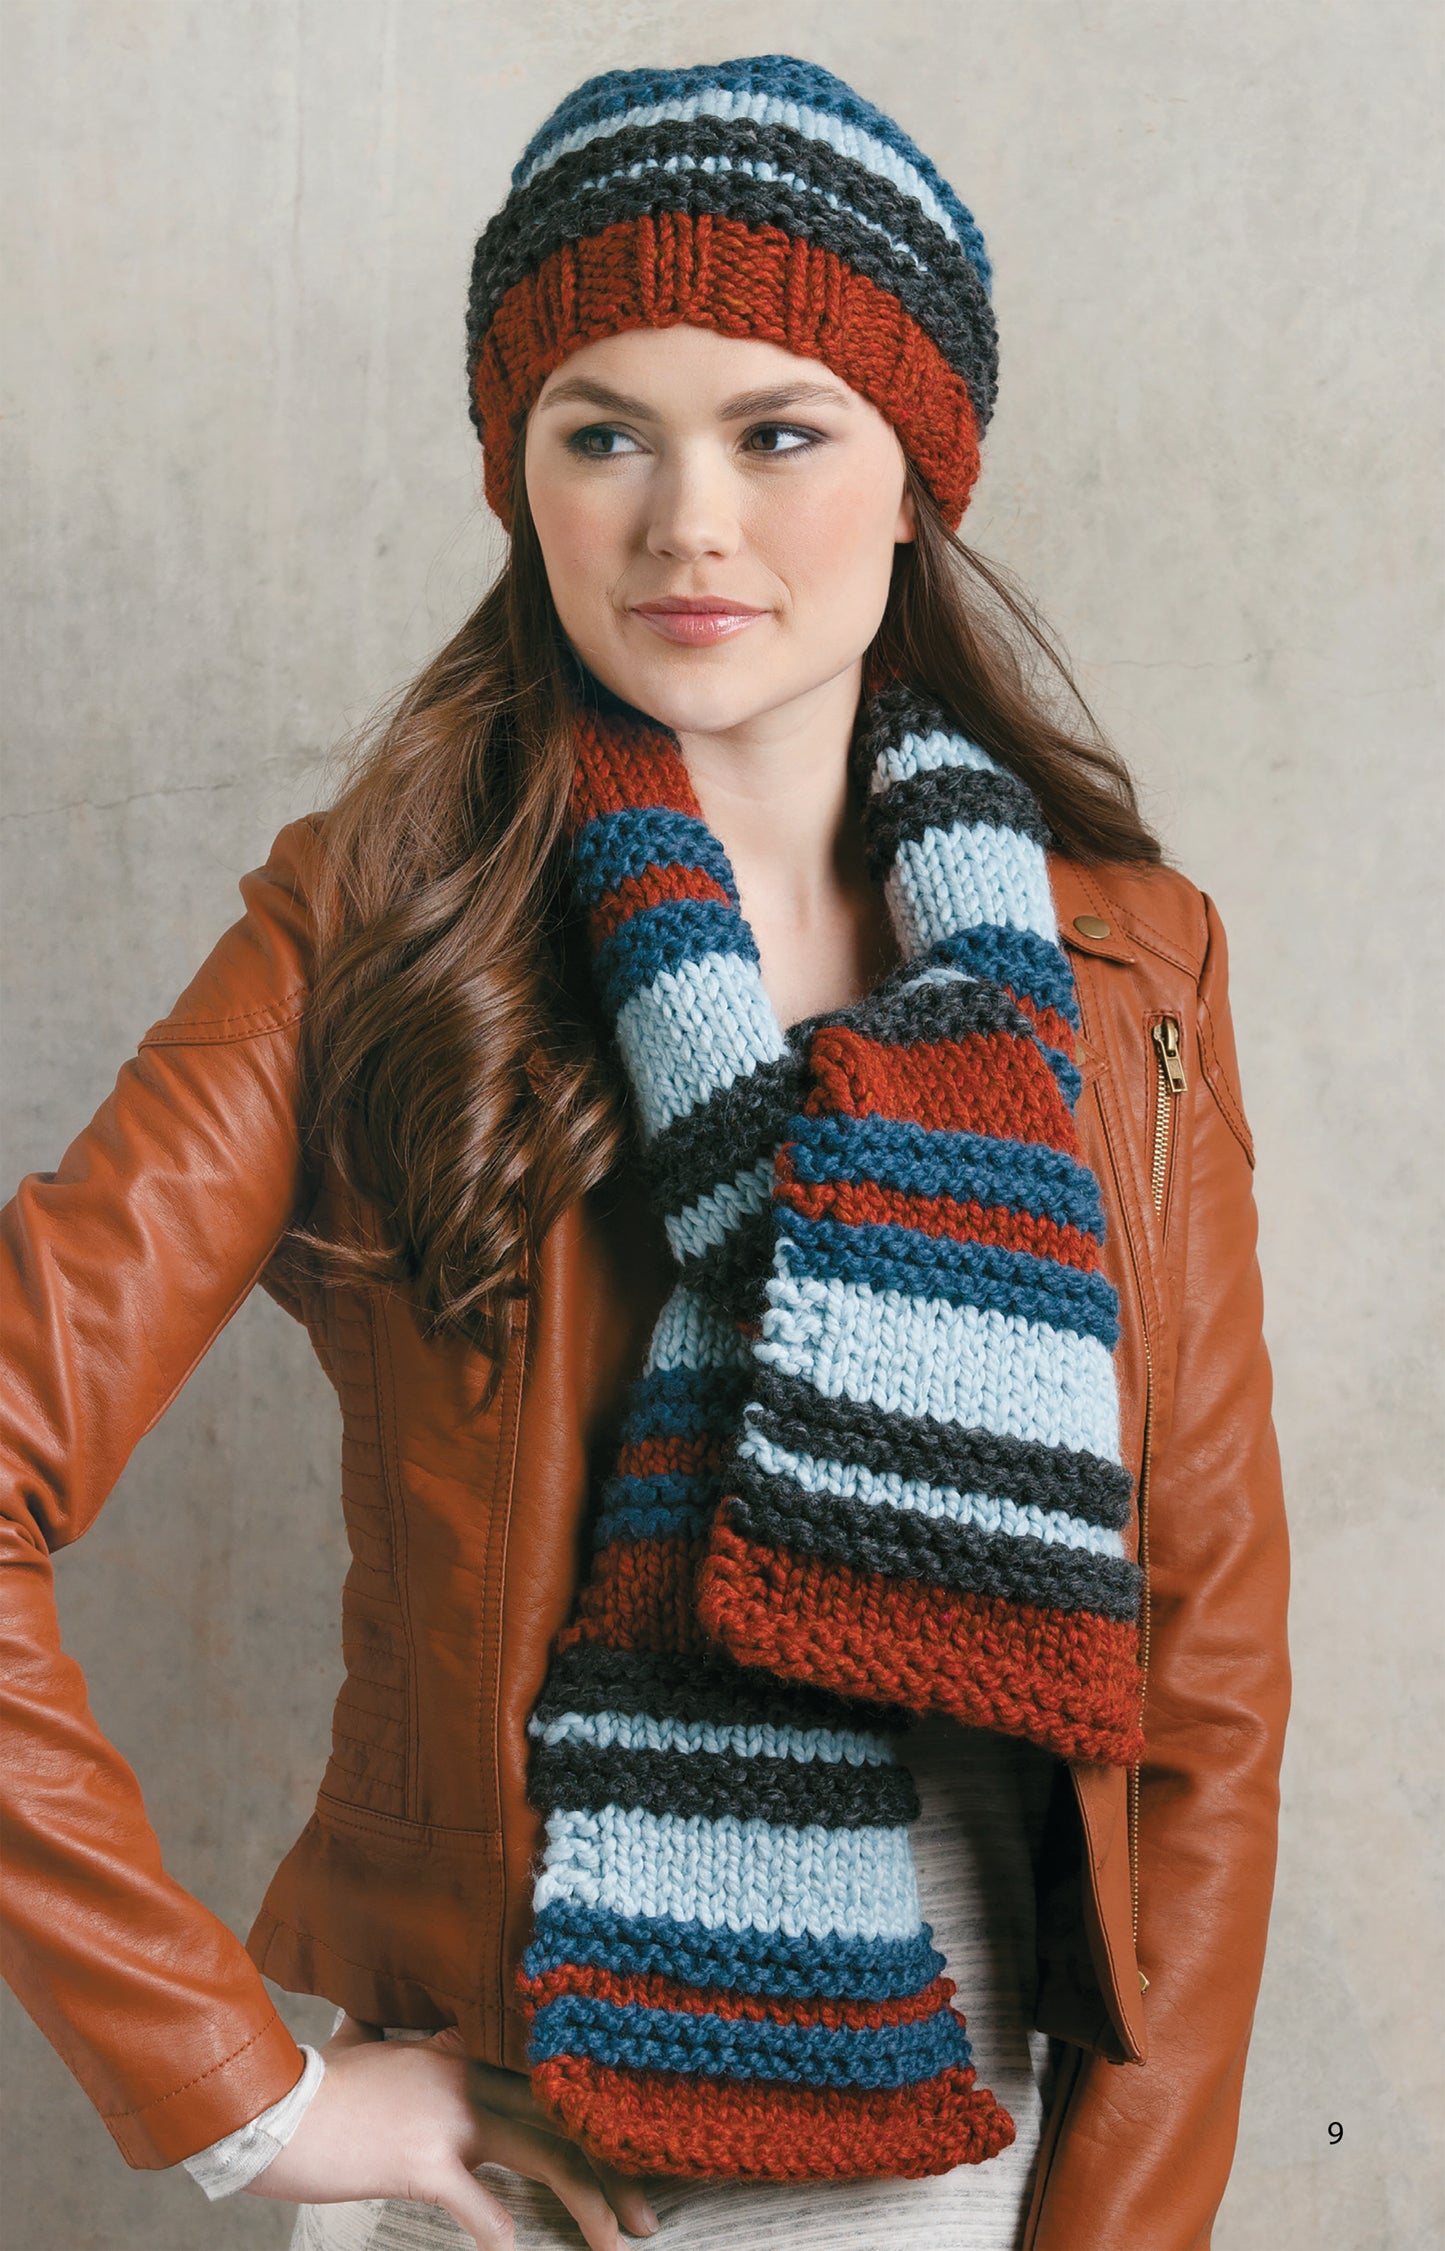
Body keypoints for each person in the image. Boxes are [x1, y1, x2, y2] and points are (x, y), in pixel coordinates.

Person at [0, 53, 1290, 2251]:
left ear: (918, 474)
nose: (687, 520)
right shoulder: (378, 921)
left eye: (780, 433)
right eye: (603, 433)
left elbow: (1207, 1693)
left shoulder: (1124, 971)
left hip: (970, 2126)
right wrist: (253, 2094)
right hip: (537, 2131)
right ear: (517, 474)